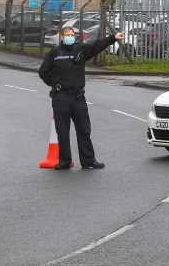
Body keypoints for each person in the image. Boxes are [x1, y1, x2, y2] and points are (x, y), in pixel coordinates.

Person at [39, 25, 124, 170]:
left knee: (84, 129)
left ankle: (88, 160)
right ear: (62, 37)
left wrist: (112, 38)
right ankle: (65, 161)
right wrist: (55, 85)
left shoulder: (80, 50)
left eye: (72, 34)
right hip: (61, 97)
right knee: (63, 131)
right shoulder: (54, 54)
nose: (70, 37)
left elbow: (96, 46)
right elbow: (43, 72)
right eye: (67, 35)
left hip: (78, 96)